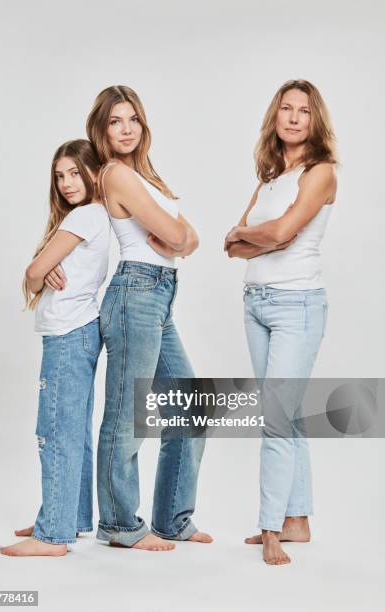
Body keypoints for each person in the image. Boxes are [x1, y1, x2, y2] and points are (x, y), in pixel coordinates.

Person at [86, 85, 212, 551]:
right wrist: (180, 237)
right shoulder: (116, 174)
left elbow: (189, 237)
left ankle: (172, 519)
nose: (126, 128)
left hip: (159, 296)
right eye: (116, 121)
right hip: (134, 295)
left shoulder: (144, 177)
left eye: (133, 119)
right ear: (101, 130)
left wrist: (181, 238)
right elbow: (178, 233)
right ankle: (119, 524)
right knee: (126, 416)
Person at [224, 79, 337, 565]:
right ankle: (298, 520)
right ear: (275, 117)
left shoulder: (322, 173)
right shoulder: (269, 179)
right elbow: (232, 247)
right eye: (286, 109)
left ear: (316, 121)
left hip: (297, 305)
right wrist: (256, 236)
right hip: (256, 302)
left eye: (304, 111)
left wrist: (253, 233)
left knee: (274, 419)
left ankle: (270, 527)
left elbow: (286, 231)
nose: (293, 117)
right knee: (285, 416)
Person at [0, 140, 111, 556]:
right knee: (74, 430)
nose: (66, 183)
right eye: (59, 175)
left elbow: (31, 272)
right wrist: (41, 275)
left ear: (92, 172)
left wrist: (39, 272)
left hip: (68, 333)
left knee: (55, 431)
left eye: (74, 173)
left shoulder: (85, 215)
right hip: (77, 331)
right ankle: (71, 516)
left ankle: (53, 533)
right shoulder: (90, 217)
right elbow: (35, 278)